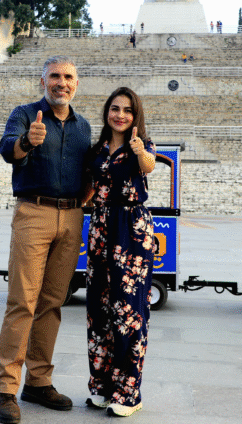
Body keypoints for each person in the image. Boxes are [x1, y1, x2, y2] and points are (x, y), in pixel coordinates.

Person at [0, 55, 92, 424]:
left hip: (72, 216)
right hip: (33, 212)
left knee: (52, 302)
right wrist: (27, 142)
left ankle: (38, 381)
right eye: (54, 76)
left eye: (68, 77)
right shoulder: (25, 114)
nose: (61, 83)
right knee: (23, 301)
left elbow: (89, 169)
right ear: (43, 80)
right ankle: (5, 388)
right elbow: (7, 150)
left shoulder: (83, 126)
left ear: (76, 84)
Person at [83, 87, 156, 418]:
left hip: (131, 229)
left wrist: (140, 150)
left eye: (127, 109)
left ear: (135, 114)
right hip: (100, 227)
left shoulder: (142, 145)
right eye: (115, 108)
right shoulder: (96, 149)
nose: (120, 114)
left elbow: (150, 166)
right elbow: (88, 186)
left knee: (128, 311)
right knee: (98, 308)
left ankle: (128, 392)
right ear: (106, 111)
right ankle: (101, 385)